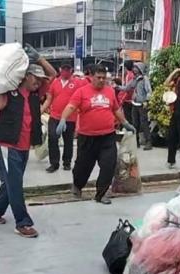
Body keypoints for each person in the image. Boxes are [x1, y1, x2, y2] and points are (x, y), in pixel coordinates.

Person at [0, 54, 57, 238]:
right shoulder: (10, 92)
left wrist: (40, 59)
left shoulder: (36, 94)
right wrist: (0, 86)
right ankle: (22, 222)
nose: (40, 82)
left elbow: (54, 74)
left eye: (41, 80)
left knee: (11, 181)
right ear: (26, 76)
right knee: (15, 184)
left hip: (25, 145)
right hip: (7, 145)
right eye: (36, 78)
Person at [58, 65, 136, 205]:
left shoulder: (110, 91)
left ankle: (101, 194)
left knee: (108, 165)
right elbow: (71, 106)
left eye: (103, 78)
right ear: (91, 77)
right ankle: (77, 186)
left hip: (107, 136)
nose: (101, 80)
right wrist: (63, 119)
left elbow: (116, 109)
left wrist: (125, 123)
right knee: (83, 167)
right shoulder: (81, 92)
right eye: (98, 77)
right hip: (87, 137)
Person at [41, 63, 82, 173]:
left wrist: (79, 122)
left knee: (68, 141)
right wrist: (39, 111)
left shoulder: (77, 83)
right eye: (64, 69)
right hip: (55, 116)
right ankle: (54, 163)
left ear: (71, 70)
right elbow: (48, 99)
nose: (65, 71)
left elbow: (80, 102)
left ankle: (67, 162)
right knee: (52, 138)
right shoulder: (54, 82)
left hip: (70, 118)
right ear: (60, 69)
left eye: (68, 69)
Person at [119, 63, 153, 150]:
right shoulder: (135, 79)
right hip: (134, 104)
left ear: (140, 69)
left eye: (136, 68)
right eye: (134, 67)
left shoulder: (144, 79)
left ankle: (148, 142)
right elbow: (127, 88)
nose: (134, 69)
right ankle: (135, 141)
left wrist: (147, 101)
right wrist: (117, 87)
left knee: (144, 123)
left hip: (142, 104)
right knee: (135, 124)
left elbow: (149, 91)